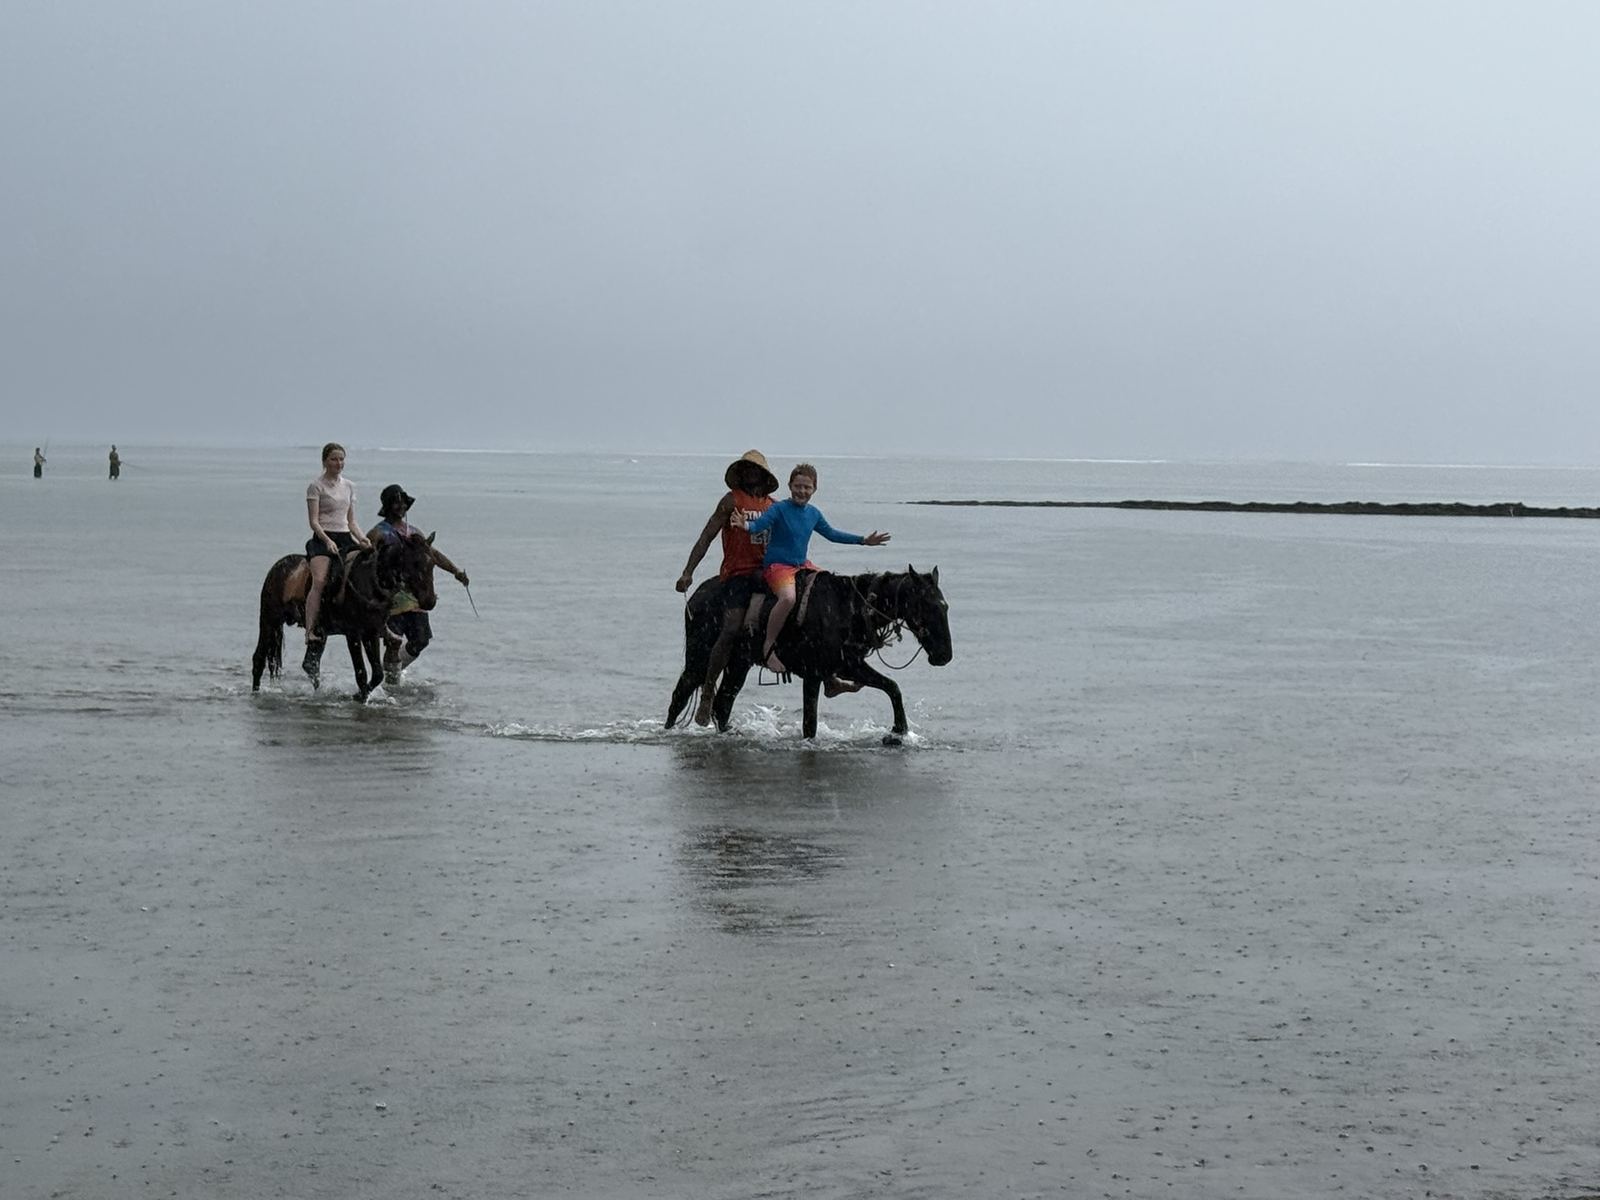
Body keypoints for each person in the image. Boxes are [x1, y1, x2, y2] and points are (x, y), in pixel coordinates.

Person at [733, 462, 891, 675]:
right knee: (788, 599)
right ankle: (768, 647)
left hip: (802, 566)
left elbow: (832, 534)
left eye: (807, 487)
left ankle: (831, 662)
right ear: (790, 486)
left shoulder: (813, 514)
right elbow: (759, 526)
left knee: (828, 587)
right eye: (798, 486)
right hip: (778, 567)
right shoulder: (779, 509)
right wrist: (746, 526)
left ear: (814, 489)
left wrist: (863, 540)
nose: (802, 491)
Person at [675, 449, 779, 724]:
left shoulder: (774, 506)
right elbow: (707, 536)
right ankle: (709, 691)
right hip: (738, 574)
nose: (750, 474)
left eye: (755, 470)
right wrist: (688, 572)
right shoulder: (732, 501)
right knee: (732, 627)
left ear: (764, 475)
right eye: (746, 469)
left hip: (767, 574)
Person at [366, 484, 470, 683]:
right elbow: (367, 564)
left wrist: (455, 571)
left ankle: (391, 673)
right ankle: (390, 681)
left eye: (403, 502)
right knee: (392, 643)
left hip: (415, 598)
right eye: (396, 502)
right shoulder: (378, 534)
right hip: (391, 598)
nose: (401, 506)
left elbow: (433, 555)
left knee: (420, 641)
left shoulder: (414, 532)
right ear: (388, 506)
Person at [303, 442, 371, 672]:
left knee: (366, 573)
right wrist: (327, 540)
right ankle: (310, 628)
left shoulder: (350, 486)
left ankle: (376, 622)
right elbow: (314, 521)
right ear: (325, 461)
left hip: (345, 537)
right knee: (320, 580)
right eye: (334, 459)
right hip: (323, 539)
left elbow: (351, 521)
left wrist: (362, 538)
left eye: (341, 459)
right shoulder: (316, 486)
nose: (338, 463)